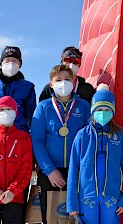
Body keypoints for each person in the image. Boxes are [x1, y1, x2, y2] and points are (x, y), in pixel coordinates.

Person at [31, 65, 91, 223]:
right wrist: (50, 170)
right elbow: (37, 141)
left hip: (77, 171)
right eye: (58, 80)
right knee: (52, 218)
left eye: (67, 79)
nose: (63, 83)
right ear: (51, 84)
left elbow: (89, 140)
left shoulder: (84, 106)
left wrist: (80, 169)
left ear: (73, 81)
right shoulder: (43, 107)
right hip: (50, 173)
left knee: (76, 218)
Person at [67, 84, 123, 223]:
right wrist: (72, 203)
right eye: (99, 109)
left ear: (113, 111)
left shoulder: (120, 135)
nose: (103, 113)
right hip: (87, 197)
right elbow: (73, 170)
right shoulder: (82, 135)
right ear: (93, 110)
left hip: (112, 197)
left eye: (107, 109)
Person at [0, 96, 32, 223]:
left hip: (14, 198)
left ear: (15, 112)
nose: (5, 112)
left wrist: (12, 191)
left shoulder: (24, 138)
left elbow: (26, 168)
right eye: (1, 109)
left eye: (9, 109)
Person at [0, 46, 36, 133]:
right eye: (7, 60)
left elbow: (31, 116)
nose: (11, 64)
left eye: (14, 61)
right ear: (1, 63)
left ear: (20, 64)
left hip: (18, 138)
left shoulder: (28, 87)